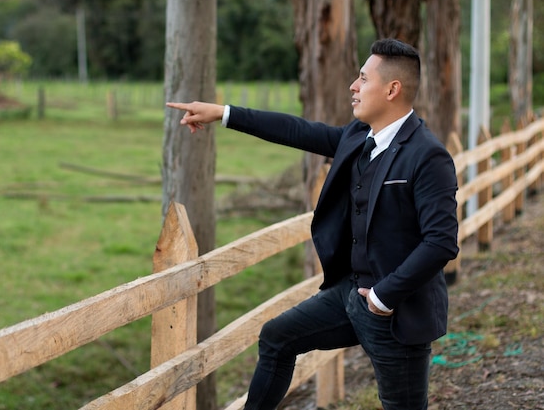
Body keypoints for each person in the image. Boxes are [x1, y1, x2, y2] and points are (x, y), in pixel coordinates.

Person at [166, 38, 459, 410]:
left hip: (395, 311)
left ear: (392, 89)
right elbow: (297, 130)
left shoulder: (427, 156)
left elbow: (440, 243)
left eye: (363, 78)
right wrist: (224, 113)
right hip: (348, 295)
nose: (353, 86)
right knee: (277, 337)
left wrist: (384, 298)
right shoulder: (357, 136)